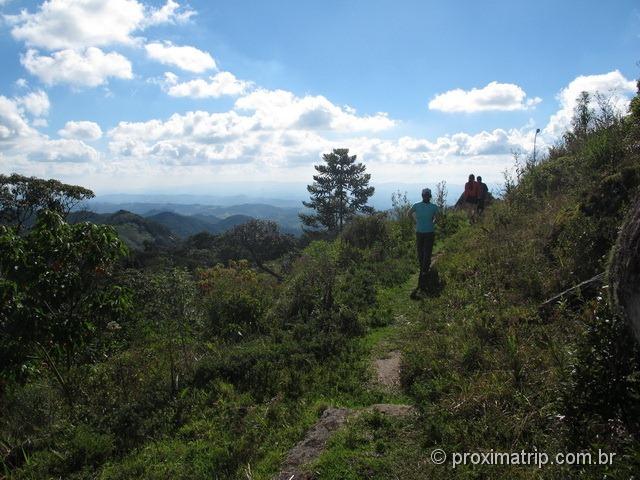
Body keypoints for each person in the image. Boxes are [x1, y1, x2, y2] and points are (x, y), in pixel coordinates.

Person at [410, 188, 438, 299]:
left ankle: (423, 269)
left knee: (420, 251)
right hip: (429, 231)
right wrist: (432, 223)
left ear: (422, 195)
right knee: (427, 251)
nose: (426, 196)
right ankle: (425, 270)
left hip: (419, 231)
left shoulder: (416, 205)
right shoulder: (434, 207)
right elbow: (438, 218)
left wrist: (415, 222)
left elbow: (408, 214)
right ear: (429, 196)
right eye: (427, 195)